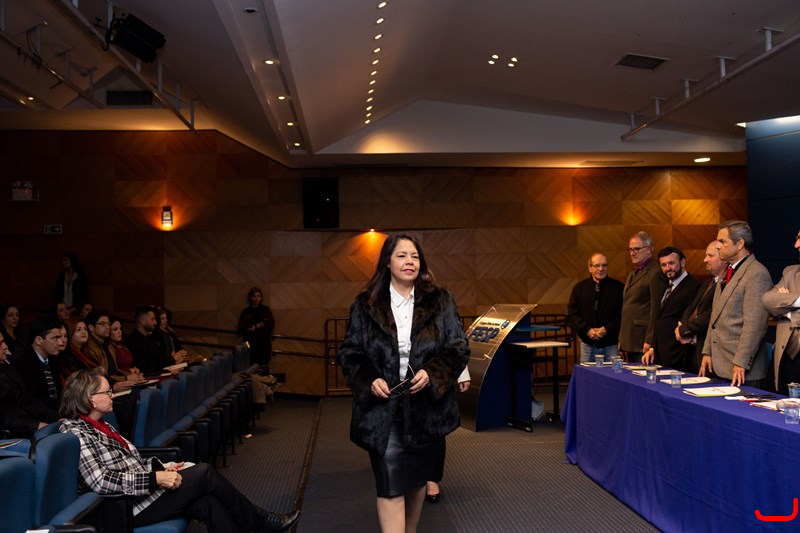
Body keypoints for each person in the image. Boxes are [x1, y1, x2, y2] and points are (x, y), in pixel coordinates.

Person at [336, 233, 470, 533]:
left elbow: (458, 347)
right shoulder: (365, 304)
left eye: (415, 256)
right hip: (383, 411)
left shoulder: (441, 300)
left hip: (426, 411)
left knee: (417, 482)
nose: (410, 261)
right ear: (387, 261)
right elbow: (350, 353)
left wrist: (432, 373)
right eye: (401, 255)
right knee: (390, 486)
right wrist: (369, 380)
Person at [59, 368, 300, 532]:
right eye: (107, 391)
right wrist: (155, 479)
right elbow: (101, 481)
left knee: (208, 503)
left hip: (141, 494)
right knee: (204, 472)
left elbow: (130, 461)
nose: (112, 395)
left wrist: (164, 468)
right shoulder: (76, 431)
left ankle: (259, 522)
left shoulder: (102, 425)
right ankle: (260, 521)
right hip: (125, 506)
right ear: (90, 399)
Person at [700, 220, 772, 388]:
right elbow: (715, 318)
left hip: (742, 369)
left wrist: (741, 361)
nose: (718, 246)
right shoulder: (726, 271)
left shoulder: (756, 274)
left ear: (739, 244)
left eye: (722, 241)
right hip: (719, 364)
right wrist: (707, 351)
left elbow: (755, 325)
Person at [642, 247, 700, 370]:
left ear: (682, 262)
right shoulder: (664, 285)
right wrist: (653, 348)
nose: (668, 268)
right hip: (660, 354)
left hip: (679, 355)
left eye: (671, 263)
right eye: (663, 265)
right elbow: (659, 319)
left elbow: (690, 321)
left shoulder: (694, 286)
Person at [675, 241, 727, 373]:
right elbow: (692, 307)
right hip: (692, 348)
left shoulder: (726, 285)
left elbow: (711, 315)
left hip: (710, 350)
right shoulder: (708, 282)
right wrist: (682, 327)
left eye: (710, 255)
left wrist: (685, 330)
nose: (705, 260)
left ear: (724, 259)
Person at [566, 253, 624, 363]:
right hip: (587, 343)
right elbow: (572, 314)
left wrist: (606, 329)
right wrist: (587, 330)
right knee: (587, 373)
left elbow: (622, 315)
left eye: (604, 265)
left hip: (611, 343)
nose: (601, 269)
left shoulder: (618, 288)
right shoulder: (579, 288)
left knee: (614, 373)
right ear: (590, 268)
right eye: (597, 265)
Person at [762, 229, 800, 395]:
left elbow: (778, 305)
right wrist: (798, 301)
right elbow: (768, 300)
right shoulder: (791, 272)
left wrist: (788, 311)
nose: (796, 244)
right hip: (787, 357)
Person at [0, 331, 58, 438]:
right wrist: (35, 425)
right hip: (8, 435)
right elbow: (3, 419)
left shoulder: (7, 368)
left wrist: (56, 418)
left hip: (25, 425)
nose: (5, 346)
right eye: (0, 344)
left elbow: (26, 400)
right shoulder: (17, 363)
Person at [425, 368, 470, 504]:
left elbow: (456, 353)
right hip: (403, 374)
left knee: (436, 427)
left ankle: (432, 478)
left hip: (436, 373)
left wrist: (462, 374)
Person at [619, 231, 667, 362]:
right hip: (630, 340)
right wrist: (622, 339)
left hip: (643, 341)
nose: (632, 253)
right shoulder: (633, 273)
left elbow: (656, 309)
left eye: (637, 249)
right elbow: (628, 307)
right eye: (630, 249)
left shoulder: (655, 272)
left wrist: (650, 340)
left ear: (649, 250)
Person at [14, 317, 65, 413]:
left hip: (55, 412)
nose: (60, 342)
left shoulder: (53, 359)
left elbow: (57, 394)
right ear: (38, 340)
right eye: (55, 338)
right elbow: (28, 401)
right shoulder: (21, 362)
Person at [125, 307, 176, 374]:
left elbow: (159, 360)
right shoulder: (133, 341)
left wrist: (173, 362)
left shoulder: (150, 339)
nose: (155, 322)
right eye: (152, 319)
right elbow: (145, 369)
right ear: (143, 321)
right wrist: (170, 368)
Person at [237, 288, 275, 371]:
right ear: (250, 298)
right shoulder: (246, 311)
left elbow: (270, 325)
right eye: (254, 296)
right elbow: (240, 328)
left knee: (263, 367)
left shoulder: (265, 310)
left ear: (261, 298)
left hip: (263, 344)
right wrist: (252, 327)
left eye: (258, 296)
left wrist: (259, 327)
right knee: (250, 366)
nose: (256, 298)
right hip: (250, 343)